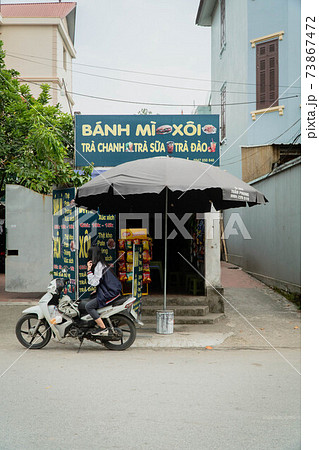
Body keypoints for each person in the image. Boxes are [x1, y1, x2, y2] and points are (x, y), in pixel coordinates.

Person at [86, 246, 122, 336]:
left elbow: (94, 282)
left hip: (109, 293)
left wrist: (89, 271)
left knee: (88, 306)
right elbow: (103, 281)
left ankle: (103, 328)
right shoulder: (102, 264)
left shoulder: (99, 266)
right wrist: (97, 291)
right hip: (108, 291)